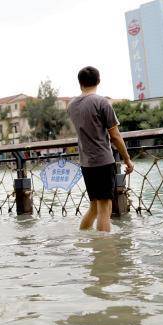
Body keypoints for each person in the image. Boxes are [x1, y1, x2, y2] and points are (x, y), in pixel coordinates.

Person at [67, 66, 134, 233]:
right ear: (98, 81)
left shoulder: (72, 105)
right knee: (105, 208)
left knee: (94, 207)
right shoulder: (101, 102)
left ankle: (83, 238)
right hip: (103, 161)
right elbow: (115, 136)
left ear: (80, 83)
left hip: (86, 162)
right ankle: (104, 253)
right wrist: (127, 158)